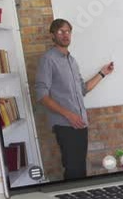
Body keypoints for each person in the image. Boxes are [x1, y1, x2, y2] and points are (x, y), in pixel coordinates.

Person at [35, 18, 115, 181]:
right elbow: (41, 95)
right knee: (72, 170)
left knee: (80, 168)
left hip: (80, 123)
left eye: (68, 31)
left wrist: (102, 73)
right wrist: (69, 115)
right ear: (53, 35)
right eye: (60, 31)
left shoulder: (72, 61)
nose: (65, 35)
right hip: (65, 124)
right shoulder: (48, 60)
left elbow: (83, 90)